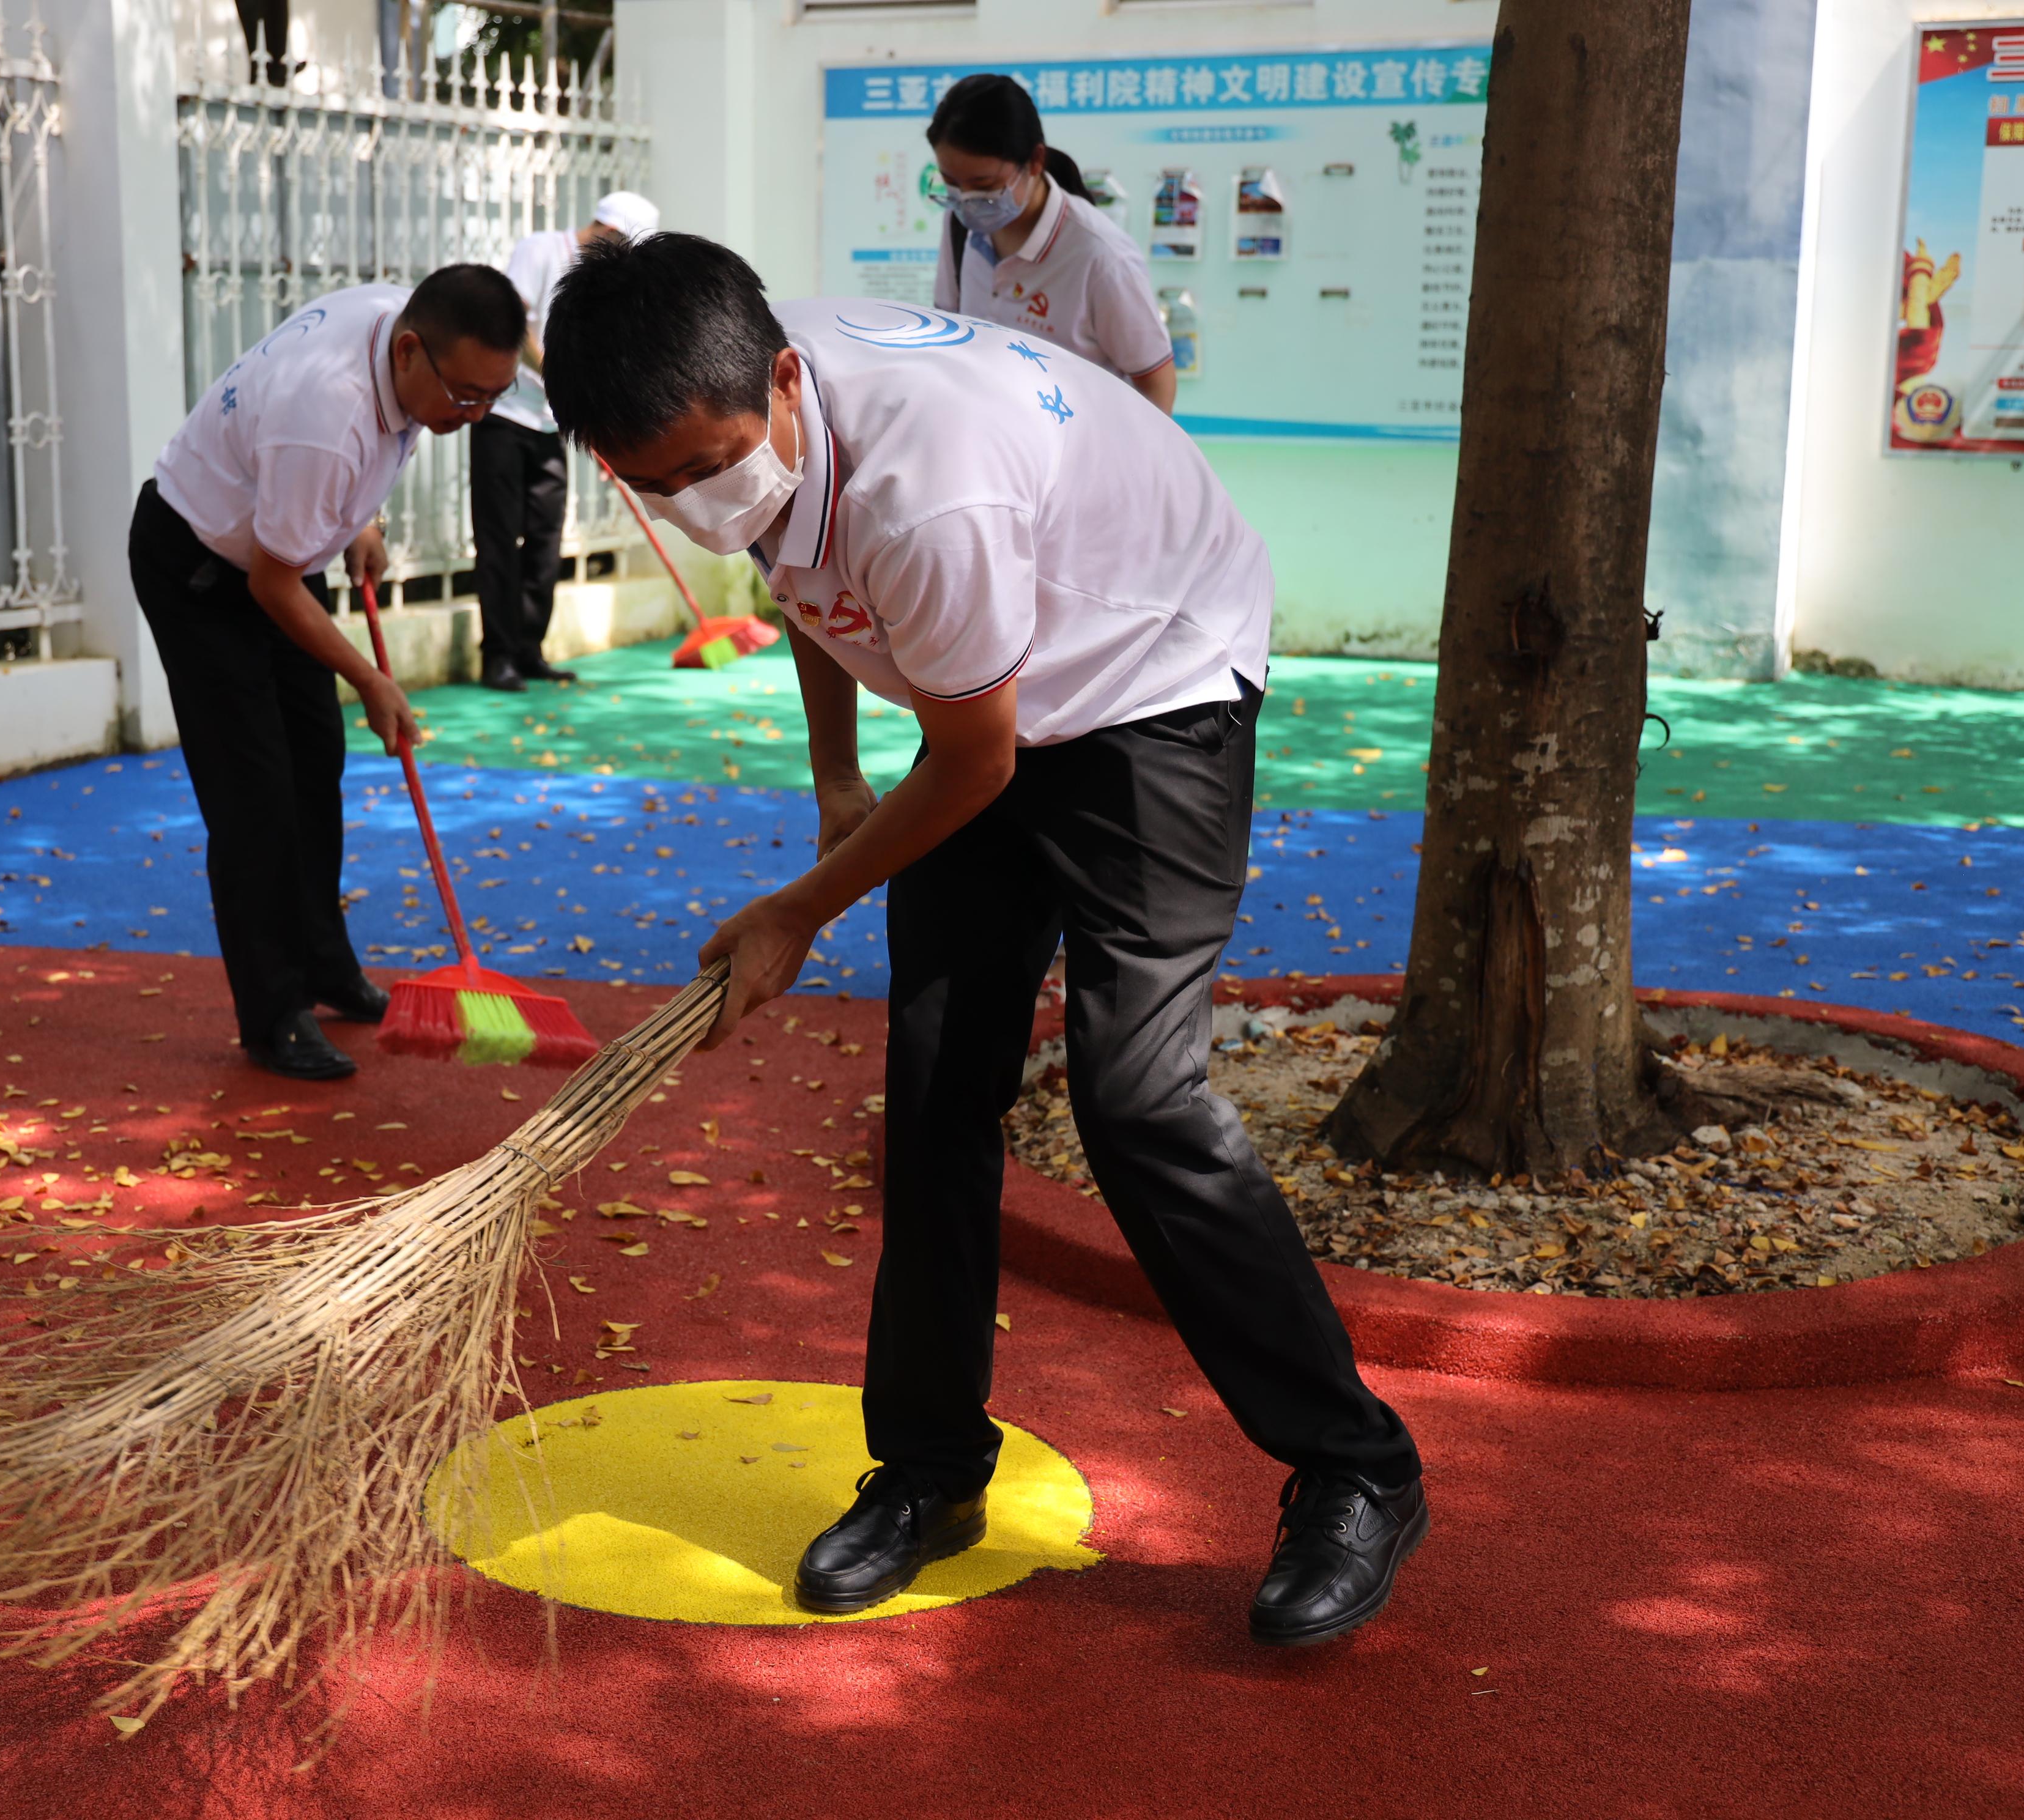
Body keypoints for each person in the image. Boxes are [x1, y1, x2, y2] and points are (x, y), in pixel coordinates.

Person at [545, 235, 1424, 1645]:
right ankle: (928, 1470)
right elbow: (808, 584)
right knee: (937, 1076)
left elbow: (970, 766)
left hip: (1150, 679)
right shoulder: (734, 402)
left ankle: (1352, 1467)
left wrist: (797, 908)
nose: (694, 506)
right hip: (996, 689)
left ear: (782, 380)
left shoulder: (922, 480)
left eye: (705, 468)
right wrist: (835, 783)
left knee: (1134, 1098)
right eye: (652, 488)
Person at [133, 265, 524, 1081]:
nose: (478, 415)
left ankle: (322, 964)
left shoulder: (396, 328)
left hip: (276, 550)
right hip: (202, 567)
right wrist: (371, 681)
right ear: (412, 353)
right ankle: (273, 1014)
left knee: (317, 761)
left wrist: (360, 517)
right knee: (256, 794)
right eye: (466, 398)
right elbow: (270, 584)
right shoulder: (327, 418)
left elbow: (334, 490)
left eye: (497, 395)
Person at [472, 190, 661, 692]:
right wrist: (556, 375)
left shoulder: (602, 282)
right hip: (504, 416)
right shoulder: (540, 250)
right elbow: (512, 326)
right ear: (609, 231)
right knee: (498, 541)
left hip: (552, 424)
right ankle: (497, 658)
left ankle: (529, 650)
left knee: (545, 542)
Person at [927, 73, 1177, 414]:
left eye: (984, 185)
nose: (967, 201)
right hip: (992, 440)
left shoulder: (1101, 258)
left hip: (1079, 450)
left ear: (1035, 161)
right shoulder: (959, 227)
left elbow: (1156, 383)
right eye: (951, 183)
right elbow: (950, 331)